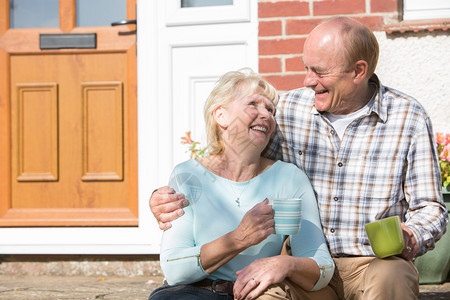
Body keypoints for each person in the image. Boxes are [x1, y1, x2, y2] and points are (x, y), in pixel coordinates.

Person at [150, 17, 449, 299]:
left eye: (319, 72)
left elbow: (431, 208)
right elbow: (239, 161)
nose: (307, 80)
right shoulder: (289, 110)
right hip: (302, 265)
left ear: (358, 71)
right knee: (264, 290)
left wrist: (413, 233)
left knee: (392, 276)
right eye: (306, 68)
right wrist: (165, 198)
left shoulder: (407, 116)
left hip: (374, 264)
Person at [149, 69, 335, 300]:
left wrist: (284, 264)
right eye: (253, 104)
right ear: (221, 116)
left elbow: (322, 267)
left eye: (270, 110)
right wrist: (239, 238)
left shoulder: (289, 178)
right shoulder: (188, 175)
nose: (266, 115)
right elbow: (174, 269)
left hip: (259, 295)